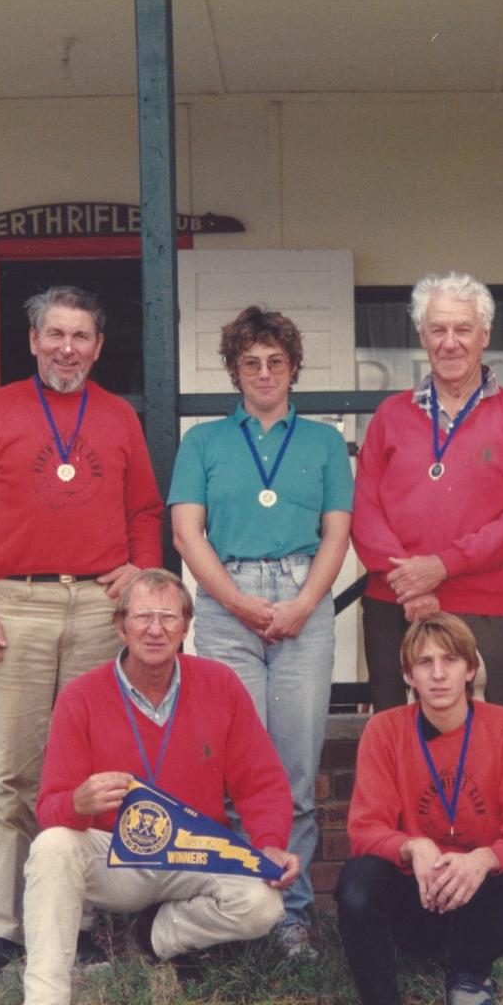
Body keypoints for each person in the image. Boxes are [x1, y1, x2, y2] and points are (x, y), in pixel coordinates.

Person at [0, 284, 164, 979]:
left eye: (81, 336)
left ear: (99, 347)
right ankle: (4, 926)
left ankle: (83, 920)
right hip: (19, 603)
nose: (67, 348)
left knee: (91, 772)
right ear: (33, 339)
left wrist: (142, 578)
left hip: (101, 608)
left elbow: (146, 512)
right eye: (55, 334)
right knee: (14, 770)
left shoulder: (118, 415)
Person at [19, 569, 299, 1005]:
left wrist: (270, 846)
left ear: (186, 625)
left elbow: (261, 784)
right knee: (54, 846)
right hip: (115, 860)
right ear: (119, 625)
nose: (154, 629)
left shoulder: (219, 685)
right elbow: (49, 807)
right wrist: (79, 802)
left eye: (167, 617)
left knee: (263, 904)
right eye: (142, 616)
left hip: (193, 854)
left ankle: (151, 938)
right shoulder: (82, 695)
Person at [169, 305, 354, 957]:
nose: (265, 372)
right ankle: (241, 904)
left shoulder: (325, 442)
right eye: (251, 362)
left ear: (294, 367)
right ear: (235, 371)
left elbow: (338, 531)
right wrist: (236, 601)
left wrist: (304, 601)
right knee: (239, 765)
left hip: (304, 596)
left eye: (276, 361)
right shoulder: (205, 443)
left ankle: (291, 915)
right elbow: (186, 532)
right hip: (228, 601)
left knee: (296, 768)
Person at [336, 613, 503, 1005]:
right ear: (407, 675)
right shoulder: (385, 730)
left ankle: (468, 971)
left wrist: (483, 860)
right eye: (424, 662)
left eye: (450, 660)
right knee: (357, 881)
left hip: (479, 898)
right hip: (417, 899)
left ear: (471, 668)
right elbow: (364, 830)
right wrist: (412, 848)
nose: (437, 673)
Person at [351, 271, 503, 710]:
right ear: (422, 335)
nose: (450, 342)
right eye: (438, 329)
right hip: (395, 606)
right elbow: (364, 511)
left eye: (463, 329)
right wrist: (411, 584)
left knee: (480, 741)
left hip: (488, 609)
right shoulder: (389, 415)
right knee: (400, 737)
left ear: (484, 334)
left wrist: (441, 565)